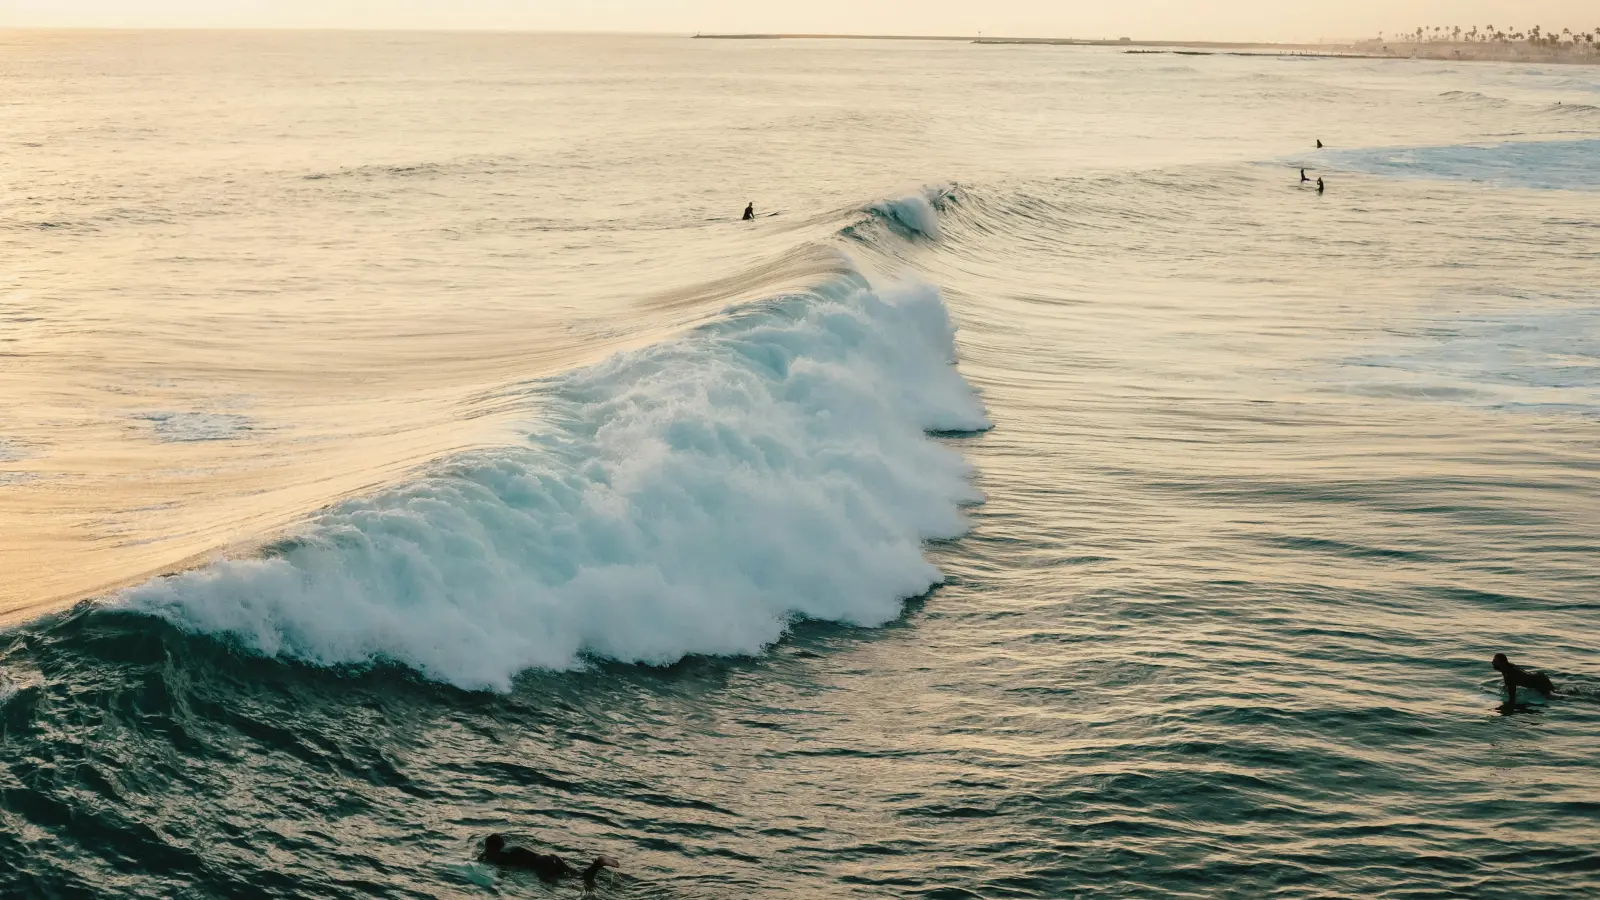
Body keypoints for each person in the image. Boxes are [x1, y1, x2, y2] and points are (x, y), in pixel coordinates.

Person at [480, 834, 619, 891]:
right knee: (580, 876)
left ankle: (597, 866)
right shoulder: (509, 849)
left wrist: (495, 886)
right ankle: (597, 864)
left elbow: (500, 873)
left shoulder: (498, 856)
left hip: (542, 866)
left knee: (570, 886)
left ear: (491, 848)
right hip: (550, 857)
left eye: (487, 848)